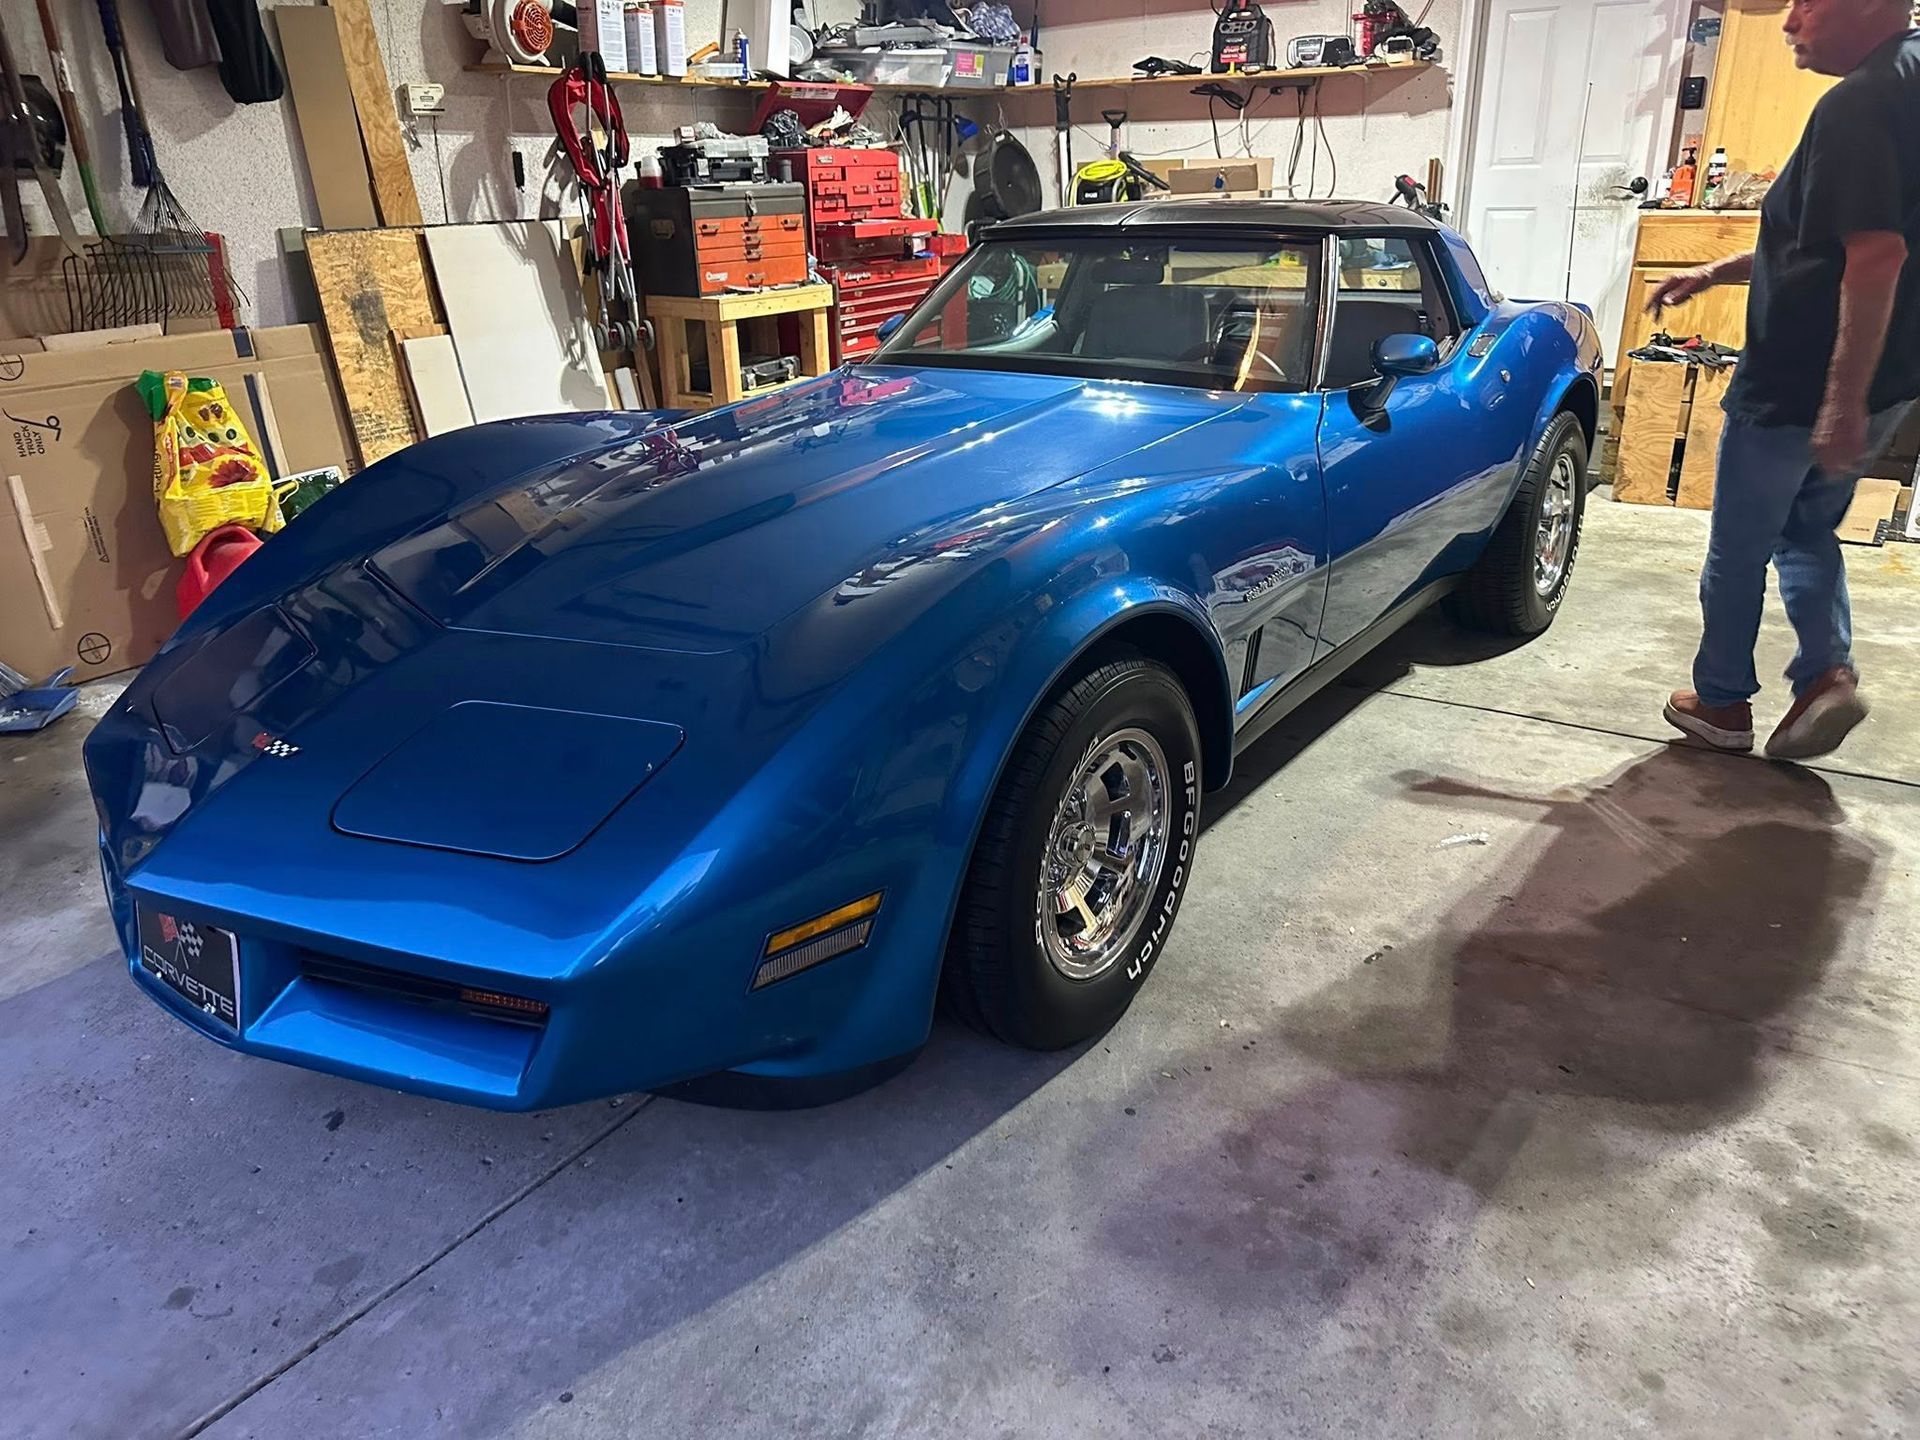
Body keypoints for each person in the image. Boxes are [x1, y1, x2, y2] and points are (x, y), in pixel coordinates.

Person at [1650, 0, 1919, 760]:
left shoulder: (1858, 103)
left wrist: (1838, 401)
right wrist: (1713, 271)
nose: (1788, 19)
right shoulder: (1910, 76)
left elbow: (1875, 258)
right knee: (1807, 528)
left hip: (1804, 381)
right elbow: (1814, 242)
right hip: (1889, 377)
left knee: (1739, 547)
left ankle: (1722, 702)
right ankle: (1826, 674)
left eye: (1809, 2)